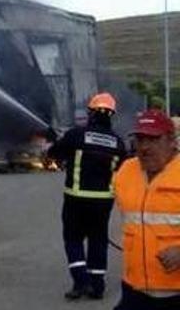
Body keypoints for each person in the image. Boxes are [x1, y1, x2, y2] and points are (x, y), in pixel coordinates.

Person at [47, 92, 127, 300]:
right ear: (111, 115)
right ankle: (97, 287)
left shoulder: (76, 134)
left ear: (91, 113)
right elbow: (124, 170)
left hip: (76, 198)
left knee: (73, 238)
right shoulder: (118, 142)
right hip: (103, 201)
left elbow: (55, 154)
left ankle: (81, 282)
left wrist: (57, 142)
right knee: (98, 240)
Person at [113, 109, 180, 309]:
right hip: (135, 288)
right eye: (140, 140)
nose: (144, 147)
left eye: (153, 139)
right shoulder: (127, 171)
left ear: (171, 140)